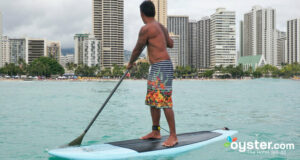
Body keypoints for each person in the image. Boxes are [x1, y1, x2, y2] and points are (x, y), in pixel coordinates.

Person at [127, 1, 178, 147]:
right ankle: (156, 131)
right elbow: (171, 44)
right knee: (153, 100)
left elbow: (138, 48)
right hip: (159, 66)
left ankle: (173, 136)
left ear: (142, 14)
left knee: (164, 101)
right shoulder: (161, 27)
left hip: (161, 66)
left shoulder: (146, 28)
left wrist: (130, 63)